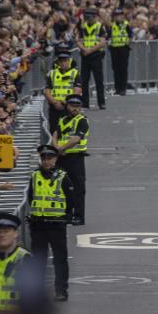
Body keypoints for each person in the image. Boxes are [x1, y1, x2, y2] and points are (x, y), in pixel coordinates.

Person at [27, 145, 75, 302]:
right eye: (44, 159)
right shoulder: (34, 176)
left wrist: (65, 217)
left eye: (50, 158)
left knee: (59, 259)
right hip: (38, 225)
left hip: (56, 225)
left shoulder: (63, 177)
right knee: (38, 260)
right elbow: (31, 197)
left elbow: (70, 200)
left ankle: (61, 291)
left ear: (55, 159)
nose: (46, 161)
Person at [53, 95, 90, 226]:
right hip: (62, 158)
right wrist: (56, 147)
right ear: (67, 106)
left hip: (76, 158)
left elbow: (76, 139)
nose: (75, 108)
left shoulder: (82, 121)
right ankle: (66, 214)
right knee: (63, 187)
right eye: (73, 106)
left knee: (78, 188)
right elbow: (56, 134)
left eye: (78, 106)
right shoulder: (62, 120)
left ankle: (79, 216)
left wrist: (60, 148)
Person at [45, 48, 81, 134]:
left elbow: (77, 91)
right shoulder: (52, 73)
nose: (63, 63)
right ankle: (54, 146)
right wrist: (54, 102)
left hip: (69, 106)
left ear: (69, 61)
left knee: (68, 130)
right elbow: (47, 91)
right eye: (61, 61)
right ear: (58, 62)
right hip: (54, 106)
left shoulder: (75, 73)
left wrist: (65, 102)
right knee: (53, 131)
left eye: (65, 61)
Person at [77, 7, 107, 110]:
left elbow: (103, 42)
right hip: (85, 56)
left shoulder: (100, 26)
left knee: (99, 80)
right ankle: (85, 103)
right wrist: (84, 49)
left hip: (96, 55)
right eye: (87, 17)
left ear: (95, 17)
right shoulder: (82, 27)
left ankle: (101, 102)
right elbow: (79, 40)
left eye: (90, 17)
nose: (88, 20)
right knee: (84, 80)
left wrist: (90, 50)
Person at [109, 8, 132, 95]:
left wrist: (128, 43)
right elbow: (109, 36)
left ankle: (123, 88)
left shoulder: (126, 25)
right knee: (115, 69)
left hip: (123, 48)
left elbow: (130, 35)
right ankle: (117, 88)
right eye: (116, 15)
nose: (118, 17)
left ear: (122, 16)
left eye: (120, 15)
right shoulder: (112, 26)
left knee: (123, 69)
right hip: (114, 48)